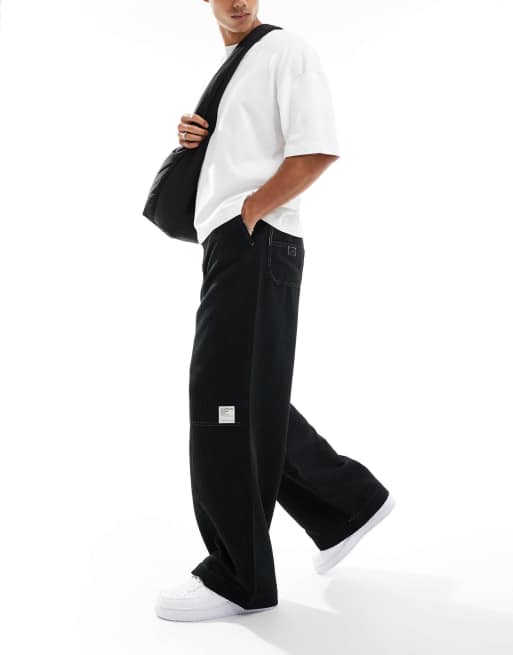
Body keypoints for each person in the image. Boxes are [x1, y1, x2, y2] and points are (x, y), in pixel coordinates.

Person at [155, 0, 395, 622]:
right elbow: (254, 151)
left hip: (255, 240)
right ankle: (348, 504)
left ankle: (238, 577)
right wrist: (201, 142)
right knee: (248, 395)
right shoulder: (239, 63)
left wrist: (249, 213)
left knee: (221, 401)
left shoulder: (284, 49)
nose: (238, 0)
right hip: (235, 243)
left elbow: (317, 149)